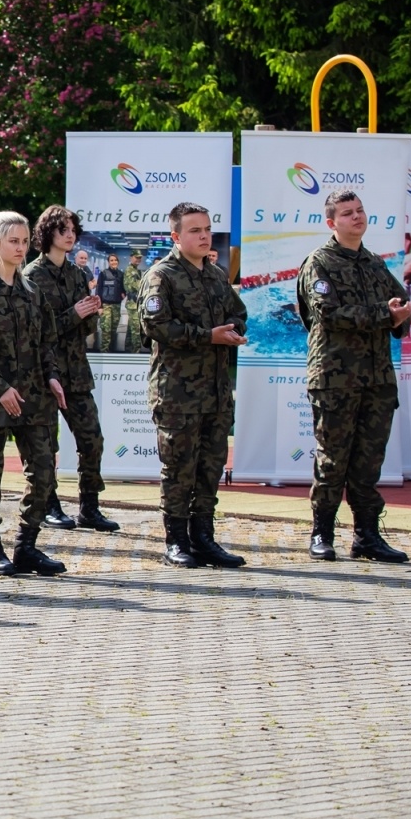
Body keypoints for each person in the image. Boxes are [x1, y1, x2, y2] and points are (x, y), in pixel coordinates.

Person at [296, 189, 411, 564]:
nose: (357, 217)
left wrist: (399, 313)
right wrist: (384, 313)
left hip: (376, 379)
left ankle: (366, 536)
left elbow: (399, 303)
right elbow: (328, 313)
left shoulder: (375, 263)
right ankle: (322, 534)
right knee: (332, 460)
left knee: (368, 462)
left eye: (360, 210)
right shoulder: (320, 263)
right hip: (336, 378)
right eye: (347, 213)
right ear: (332, 223)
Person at [0, 212, 70, 577]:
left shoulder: (32, 291)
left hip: (35, 399)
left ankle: (26, 546)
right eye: (12, 242)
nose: (20, 248)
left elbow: (47, 342)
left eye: (23, 241)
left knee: (44, 474)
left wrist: (52, 376)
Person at [141, 202, 249, 568]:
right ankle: (176, 540)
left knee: (210, 467)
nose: (204, 236)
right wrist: (208, 337)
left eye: (206, 229)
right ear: (176, 236)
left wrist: (233, 331)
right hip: (178, 394)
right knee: (179, 469)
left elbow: (239, 312)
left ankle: (204, 538)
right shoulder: (162, 275)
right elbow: (156, 325)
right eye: (194, 231)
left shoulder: (216, 274)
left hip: (215, 392)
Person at [22, 206, 119, 532]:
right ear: (47, 233)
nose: (70, 234)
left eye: (73, 229)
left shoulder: (79, 276)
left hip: (76, 371)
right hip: (44, 374)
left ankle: (89, 507)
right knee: (46, 445)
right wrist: (73, 315)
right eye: (63, 229)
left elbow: (84, 327)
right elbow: (36, 332)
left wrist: (91, 312)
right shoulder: (32, 276)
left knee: (92, 439)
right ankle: (49, 505)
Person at [96, 253, 126, 353]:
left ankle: (112, 351)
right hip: (106, 305)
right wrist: (99, 306)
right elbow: (98, 290)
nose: (114, 262)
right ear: (108, 262)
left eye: (115, 260)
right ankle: (104, 352)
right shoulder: (103, 274)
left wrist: (124, 294)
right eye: (111, 260)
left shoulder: (121, 274)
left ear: (118, 262)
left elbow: (123, 288)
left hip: (117, 305)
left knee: (114, 329)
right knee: (106, 329)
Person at [124, 250, 146, 352]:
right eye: (136, 257)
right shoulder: (130, 270)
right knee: (136, 330)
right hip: (133, 303)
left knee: (131, 329)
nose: (138, 260)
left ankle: (128, 350)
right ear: (131, 257)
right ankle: (136, 352)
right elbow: (133, 286)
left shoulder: (136, 270)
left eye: (140, 258)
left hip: (135, 303)